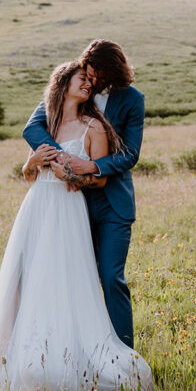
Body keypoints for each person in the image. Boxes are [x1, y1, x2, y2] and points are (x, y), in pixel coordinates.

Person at [0, 60, 153, 391]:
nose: (88, 84)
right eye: (82, 79)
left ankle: (75, 358)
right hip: (35, 210)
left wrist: (70, 176)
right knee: (28, 280)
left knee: (70, 280)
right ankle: (23, 359)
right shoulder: (47, 124)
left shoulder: (95, 128)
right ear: (63, 83)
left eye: (91, 81)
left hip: (68, 209)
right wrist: (31, 164)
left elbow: (99, 179)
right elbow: (29, 173)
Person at [23, 40, 145, 349]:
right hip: (72, 205)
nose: (90, 81)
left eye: (96, 75)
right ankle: (83, 350)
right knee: (77, 280)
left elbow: (130, 154)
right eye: (87, 74)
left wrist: (90, 165)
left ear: (112, 72)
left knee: (110, 278)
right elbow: (32, 128)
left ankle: (124, 355)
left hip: (113, 204)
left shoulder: (132, 99)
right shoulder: (72, 90)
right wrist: (63, 160)